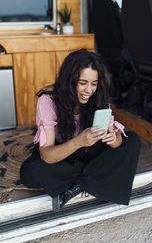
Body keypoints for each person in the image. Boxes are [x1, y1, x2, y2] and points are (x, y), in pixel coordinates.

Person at [20, 49, 141, 211]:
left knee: (132, 141)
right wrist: (78, 142)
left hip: (89, 151)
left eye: (94, 83)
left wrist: (114, 139)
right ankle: (95, 179)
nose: (89, 90)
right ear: (69, 80)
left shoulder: (98, 96)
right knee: (30, 171)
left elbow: (117, 142)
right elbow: (47, 155)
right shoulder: (49, 100)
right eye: (83, 83)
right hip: (62, 153)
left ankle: (76, 185)